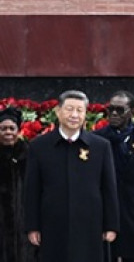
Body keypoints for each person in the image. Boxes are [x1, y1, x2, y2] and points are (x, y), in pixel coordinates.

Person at [24, 90, 119, 262]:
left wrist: (111, 225)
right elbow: (32, 189)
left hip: (90, 224)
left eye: (79, 110)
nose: (74, 115)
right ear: (58, 111)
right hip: (52, 224)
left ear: (85, 114)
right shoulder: (39, 146)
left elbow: (109, 188)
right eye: (69, 109)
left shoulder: (100, 147)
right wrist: (32, 226)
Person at [93, 91, 134, 262]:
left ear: (132, 112)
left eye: (120, 110)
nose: (114, 114)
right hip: (105, 217)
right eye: (111, 109)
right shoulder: (96, 140)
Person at [0, 107, 38, 262]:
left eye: (11, 128)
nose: (8, 132)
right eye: (3, 129)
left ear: (18, 130)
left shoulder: (29, 154)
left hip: (24, 222)